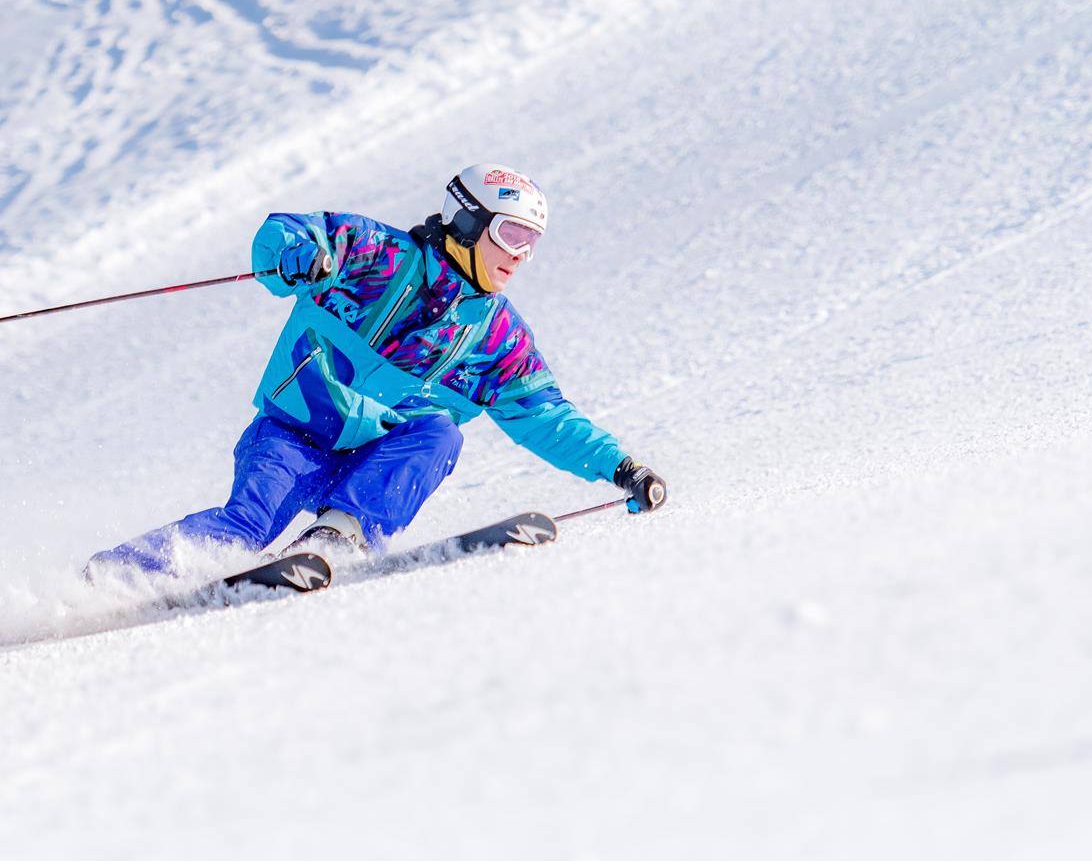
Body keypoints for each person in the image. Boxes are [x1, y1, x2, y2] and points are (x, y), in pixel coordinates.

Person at [88, 163, 667, 576]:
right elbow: (284, 233)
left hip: (378, 455)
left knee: (439, 432)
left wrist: (620, 467)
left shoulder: (496, 336)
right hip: (294, 435)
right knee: (243, 530)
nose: (521, 254)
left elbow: (546, 416)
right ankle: (110, 579)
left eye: (532, 242)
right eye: (511, 234)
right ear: (468, 224)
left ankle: (340, 535)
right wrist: (297, 255)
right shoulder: (374, 256)